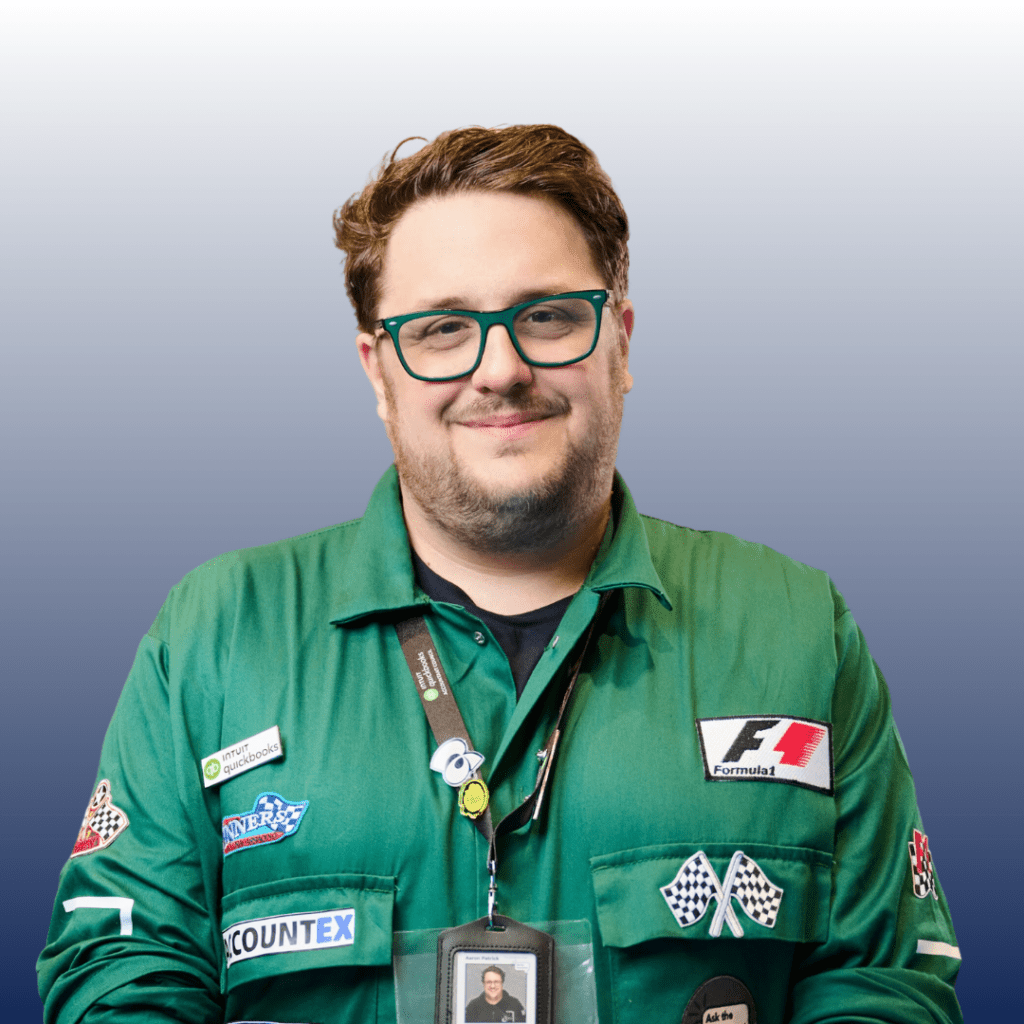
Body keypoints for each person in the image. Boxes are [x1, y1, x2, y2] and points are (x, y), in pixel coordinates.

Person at [37, 125, 963, 1024]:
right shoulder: (213, 635)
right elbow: (119, 973)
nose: (501, 368)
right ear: (378, 369)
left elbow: (883, 985)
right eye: (443, 329)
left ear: (622, 342)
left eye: (548, 316)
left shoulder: (796, 626)